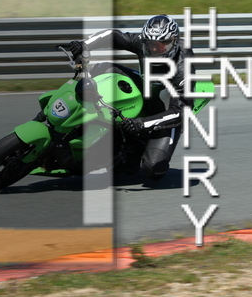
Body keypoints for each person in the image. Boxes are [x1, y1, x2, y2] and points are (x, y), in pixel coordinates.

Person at [67, 14, 194, 180]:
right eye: (150, 45)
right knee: (102, 68)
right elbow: (113, 35)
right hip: (145, 90)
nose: (154, 50)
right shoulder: (143, 42)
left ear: (173, 42)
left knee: (153, 168)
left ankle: (135, 147)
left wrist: (142, 124)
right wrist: (85, 45)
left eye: (161, 45)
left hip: (167, 113)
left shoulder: (184, 67)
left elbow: (180, 112)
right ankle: (81, 111)